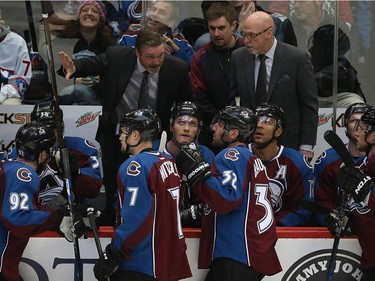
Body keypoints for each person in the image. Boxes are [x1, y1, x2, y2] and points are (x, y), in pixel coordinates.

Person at [59, 27, 192, 225]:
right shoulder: (117, 56)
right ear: (137, 52)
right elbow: (91, 64)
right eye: (150, 57)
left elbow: (186, 104)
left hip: (153, 139)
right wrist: (72, 67)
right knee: (113, 178)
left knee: (148, 183)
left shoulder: (177, 69)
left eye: (160, 55)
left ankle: (149, 219)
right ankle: (112, 218)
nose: (156, 62)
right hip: (116, 133)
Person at [175, 105, 282, 280]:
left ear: (232, 133)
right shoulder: (251, 159)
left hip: (236, 255)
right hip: (248, 255)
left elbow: (226, 199)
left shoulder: (231, 154)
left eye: (220, 124)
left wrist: (197, 171)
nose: (214, 127)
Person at [93, 108, 192, 281]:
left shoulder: (135, 166)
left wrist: (114, 252)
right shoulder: (168, 163)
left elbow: (136, 218)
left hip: (140, 261)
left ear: (136, 135)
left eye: (123, 132)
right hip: (165, 261)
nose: (120, 136)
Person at [0, 122, 86, 281]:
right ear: (41, 155)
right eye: (49, 153)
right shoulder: (23, 173)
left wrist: (60, 210)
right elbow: (19, 219)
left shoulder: (7, 167)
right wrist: (57, 218)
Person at [230, 11, 318, 159]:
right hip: (250, 145)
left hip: (288, 143)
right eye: (244, 35)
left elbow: (309, 105)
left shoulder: (297, 58)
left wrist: (306, 146)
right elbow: (234, 100)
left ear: (269, 33)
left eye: (252, 35)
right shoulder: (238, 57)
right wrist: (237, 138)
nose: (246, 41)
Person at [327, 106, 375, 280]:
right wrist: (348, 221)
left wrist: (367, 191)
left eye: (361, 129)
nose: (357, 133)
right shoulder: (363, 166)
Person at [190, 2, 245, 153]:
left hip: (246, 131)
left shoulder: (248, 52)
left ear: (233, 25)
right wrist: (221, 124)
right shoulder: (201, 57)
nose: (216, 34)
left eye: (221, 28)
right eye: (212, 28)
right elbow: (200, 98)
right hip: (213, 131)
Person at [248, 103, 314, 226]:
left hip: (282, 234)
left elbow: (303, 208)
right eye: (256, 121)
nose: (259, 125)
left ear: (278, 131)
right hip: (244, 232)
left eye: (267, 122)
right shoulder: (237, 157)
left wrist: (277, 225)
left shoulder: (297, 163)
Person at [29, 100, 102, 207]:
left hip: (70, 214)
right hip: (32, 215)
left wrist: (76, 173)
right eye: (40, 130)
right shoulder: (19, 151)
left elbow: (93, 190)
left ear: (61, 127)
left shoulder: (81, 148)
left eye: (50, 129)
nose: (46, 135)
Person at [153, 101, 215, 227]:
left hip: (194, 226)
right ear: (171, 126)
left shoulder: (206, 154)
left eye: (192, 124)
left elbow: (214, 197)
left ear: (198, 131)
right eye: (181, 122)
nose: (186, 128)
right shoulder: (154, 150)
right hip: (157, 226)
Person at [314, 102, 369, 225]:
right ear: (345, 127)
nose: (359, 126)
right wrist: (331, 219)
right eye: (353, 121)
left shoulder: (373, 161)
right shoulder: (327, 160)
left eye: (364, 121)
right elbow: (319, 201)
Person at [57, 0, 116, 105]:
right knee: (80, 90)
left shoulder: (109, 44)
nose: (89, 13)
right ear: (79, 17)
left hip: (98, 97)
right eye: (84, 10)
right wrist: (75, 81)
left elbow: (115, 78)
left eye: (94, 11)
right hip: (67, 93)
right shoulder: (66, 41)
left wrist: (100, 81)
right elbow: (56, 73)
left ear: (101, 20)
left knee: (80, 94)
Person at [118, 1, 194, 66]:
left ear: (171, 22)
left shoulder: (180, 43)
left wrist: (176, 51)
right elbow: (123, 65)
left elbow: (193, 69)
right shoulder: (129, 38)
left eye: (162, 12)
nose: (154, 14)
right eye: (153, 10)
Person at [308, 24, 365, 107]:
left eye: (315, 44)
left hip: (341, 100)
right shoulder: (313, 66)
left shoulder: (341, 68)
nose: (311, 49)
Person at [0, 11, 32, 105]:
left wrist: (2, 94)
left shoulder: (17, 42)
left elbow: (22, 81)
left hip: (6, 95)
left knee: (11, 105)